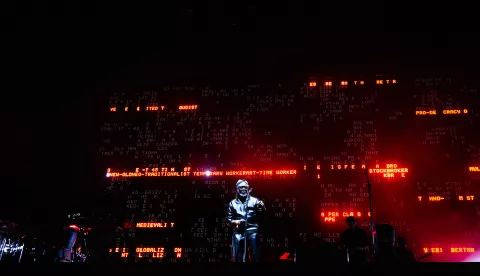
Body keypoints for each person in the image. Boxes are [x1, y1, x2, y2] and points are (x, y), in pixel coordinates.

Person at [227, 179, 266, 263]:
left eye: (245, 187)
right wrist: (237, 222)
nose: (243, 189)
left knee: (255, 256)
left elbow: (264, 214)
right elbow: (228, 220)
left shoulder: (255, 201)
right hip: (238, 233)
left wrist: (262, 207)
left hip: (252, 232)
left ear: (248, 189)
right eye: (241, 187)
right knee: (237, 257)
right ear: (237, 189)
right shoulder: (232, 203)